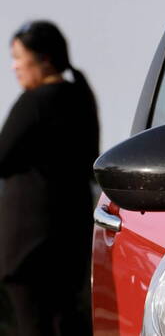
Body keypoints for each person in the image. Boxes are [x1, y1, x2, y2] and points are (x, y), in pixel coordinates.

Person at [0, 21, 99, 335]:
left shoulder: (36, 101)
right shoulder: (79, 96)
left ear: (43, 59)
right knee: (65, 319)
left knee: (35, 323)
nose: (15, 67)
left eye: (19, 57)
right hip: (70, 230)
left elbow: (2, 156)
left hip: (30, 238)